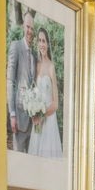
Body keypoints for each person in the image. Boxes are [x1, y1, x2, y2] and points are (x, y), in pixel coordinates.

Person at [27, 28, 64, 159]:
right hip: (37, 122)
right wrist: (33, 113)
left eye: (44, 41)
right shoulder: (36, 66)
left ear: (48, 44)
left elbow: (55, 104)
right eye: (39, 41)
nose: (41, 44)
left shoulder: (51, 67)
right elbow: (34, 95)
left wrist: (42, 116)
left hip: (48, 121)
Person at [7, 5, 38, 152]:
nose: (30, 31)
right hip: (18, 118)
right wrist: (12, 114)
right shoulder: (15, 47)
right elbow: (10, 82)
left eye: (32, 28)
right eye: (27, 27)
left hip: (32, 119)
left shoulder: (34, 55)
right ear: (23, 28)